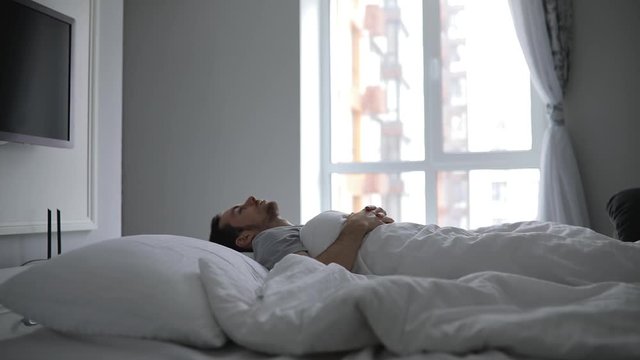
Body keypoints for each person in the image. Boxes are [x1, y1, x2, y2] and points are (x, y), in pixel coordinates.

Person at [209, 196, 394, 270]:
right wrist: (357, 226)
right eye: (241, 210)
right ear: (245, 237)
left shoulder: (296, 232)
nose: (250, 199)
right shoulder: (269, 240)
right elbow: (314, 277)